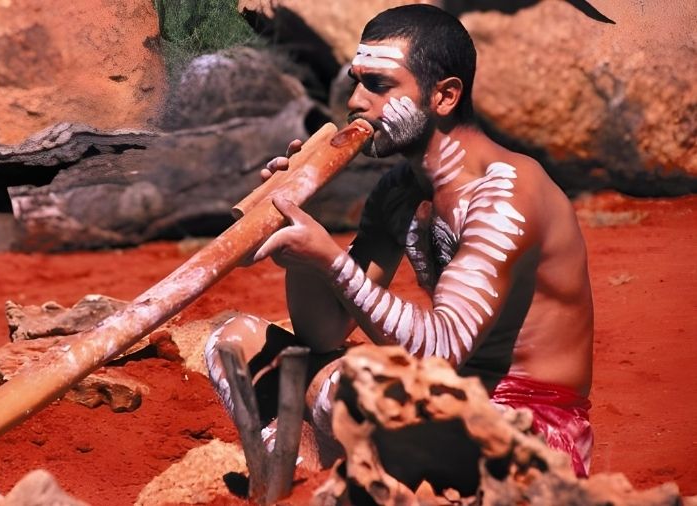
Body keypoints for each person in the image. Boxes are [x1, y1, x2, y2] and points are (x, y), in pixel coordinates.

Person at [204, 4, 594, 478]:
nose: (355, 101)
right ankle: (304, 479)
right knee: (237, 343)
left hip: (528, 433)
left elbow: (445, 346)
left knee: (357, 385)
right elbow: (323, 334)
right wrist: (300, 220)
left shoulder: (506, 194)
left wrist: (330, 260)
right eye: (357, 81)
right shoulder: (400, 192)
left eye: (379, 85)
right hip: (441, 407)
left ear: (445, 96)